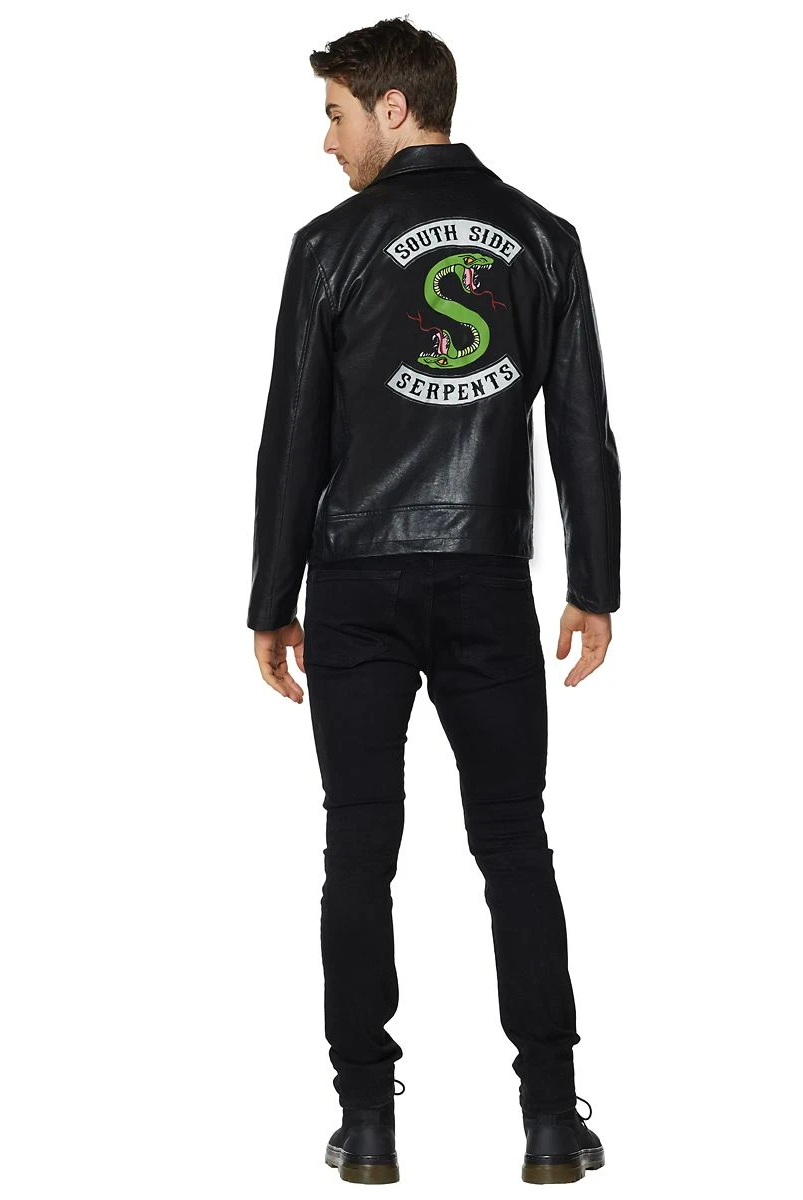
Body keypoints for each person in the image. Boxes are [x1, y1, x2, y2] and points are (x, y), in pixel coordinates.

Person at [247, 17, 620, 1185]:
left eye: (335, 115)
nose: (326, 141)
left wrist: (270, 599)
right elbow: (580, 429)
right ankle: (549, 1119)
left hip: (354, 581)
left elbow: (292, 437)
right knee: (514, 843)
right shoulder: (542, 239)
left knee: (358, 848)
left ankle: (366, 1123)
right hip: (486, 579)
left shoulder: (327, 246)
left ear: (393, 109)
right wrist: (593, 586)